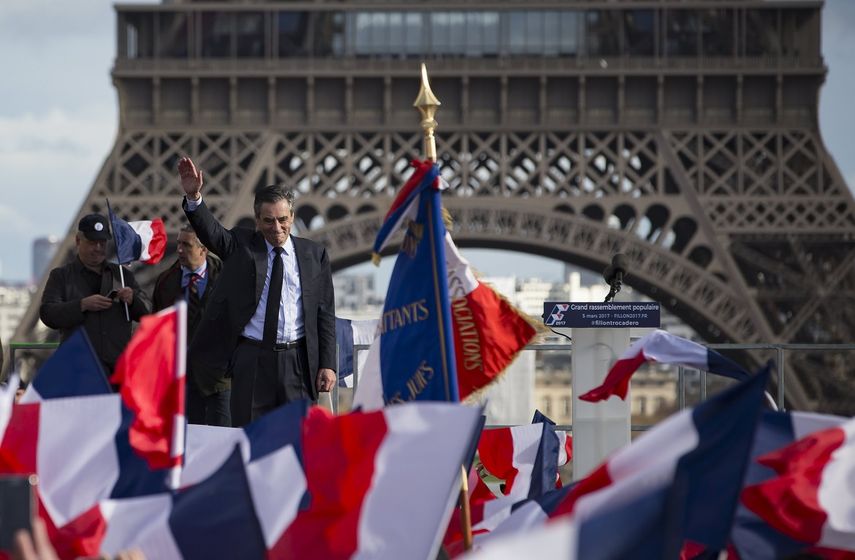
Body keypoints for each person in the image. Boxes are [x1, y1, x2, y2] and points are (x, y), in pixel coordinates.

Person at [178, 157, 336, 427]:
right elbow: (213, 233)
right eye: (269, 220)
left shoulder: (314, 254)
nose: (277, 228)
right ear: (257, 220)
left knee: (297, 440)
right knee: (249, 439)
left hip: (297, 361)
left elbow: (325, 312)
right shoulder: (242, 246)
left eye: (283, 220)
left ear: (293, 217)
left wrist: (328, 363)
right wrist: (194, 198)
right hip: (251, 359)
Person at [39, 214, 150, 376]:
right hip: (78, 370)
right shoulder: (61, 276)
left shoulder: (122, 276)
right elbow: (48, 314)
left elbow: (148, 311)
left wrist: (133, 299)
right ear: (78, 241)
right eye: (92, 242)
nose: (98, 248)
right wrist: (82, 305)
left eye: (102, 243)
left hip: (116, 371)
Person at [152, 225, 228, 426]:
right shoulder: (165, 282)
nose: (179, 250)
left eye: (186, 245)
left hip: (218, 378)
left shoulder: (226, 278)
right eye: (178, 244)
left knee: (220, 439)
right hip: (181, 379)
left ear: (204, 249)